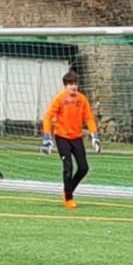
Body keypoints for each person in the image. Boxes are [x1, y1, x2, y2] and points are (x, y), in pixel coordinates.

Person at [42, 70, 98, 209]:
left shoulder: (82, 99)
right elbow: (48, 117)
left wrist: (94, 136)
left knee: (84, 168)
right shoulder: (59, 99)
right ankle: (68, 198)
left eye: (75, 84)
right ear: (65, 86)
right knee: (68, 167)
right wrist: (47, 137)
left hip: (77, 138)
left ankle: (68, 189)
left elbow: (89, 118)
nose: (73, 86)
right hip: (62, 137)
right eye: (70, 84)